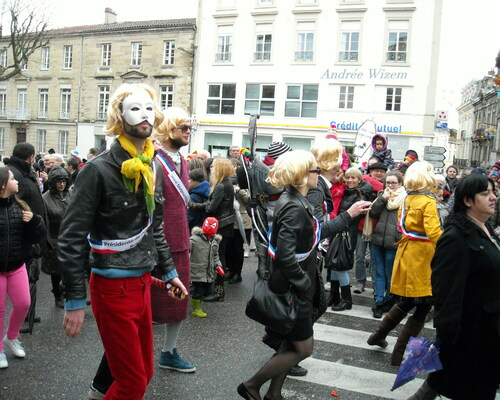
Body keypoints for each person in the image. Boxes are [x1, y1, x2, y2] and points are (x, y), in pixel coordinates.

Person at [57, 83, 187, 400]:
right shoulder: (97, 170)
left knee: (145, 372)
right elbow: (70, 237)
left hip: (143, 282)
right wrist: (75, 299)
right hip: (111, 288)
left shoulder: (153, 164)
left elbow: (154, 227)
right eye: (135, 108)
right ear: (120, 116)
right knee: (132, 382)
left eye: (149, 108)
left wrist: (170, 273)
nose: (145, 115)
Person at [238, 150, 370, 400]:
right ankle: (252, 385)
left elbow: (314, 235)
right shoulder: (293, 205)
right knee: (303, 348)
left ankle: (274, 393)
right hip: (293, 288)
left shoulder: (297, 200)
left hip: (296, 285)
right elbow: (286, 256)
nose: (318, 174)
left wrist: (348, 215)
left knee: (290, 343)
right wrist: (303, 284)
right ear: (301, 175)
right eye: (314, 170)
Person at [408, 174, 500, 400]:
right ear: (468, 201)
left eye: (493, 192)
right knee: (469, 387)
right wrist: (449, 334)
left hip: (489, 326)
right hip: (470, 330)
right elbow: (446, 288)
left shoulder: (485, 228)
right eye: (485, 193)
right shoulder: (457, 236)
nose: (493, 198)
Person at [367, 161, 442, 366]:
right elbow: (433, 231)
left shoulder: (408, 197)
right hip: (423, 256)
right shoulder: (427, 201)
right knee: (424, 304)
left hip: (408, 251)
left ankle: (378, 334)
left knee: (407, 300)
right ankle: (398, 353)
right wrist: (447, 247)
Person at [152, 106, 196, 373]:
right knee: (145, 303)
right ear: (169, 129)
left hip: (180, 241)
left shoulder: (185, 161)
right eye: (184, 128)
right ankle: (138, 354)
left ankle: (169, 351)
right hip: (156, 244)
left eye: (190, 127)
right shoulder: (155, 161)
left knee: (179, 300)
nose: (188, 132)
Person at [0, 167, 45, 368]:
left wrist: (34, 222)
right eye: (12, 179)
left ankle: (11, 337)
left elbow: (36, 237)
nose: (17, 182)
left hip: (17, 265)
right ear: (2, 185)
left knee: (23, 304)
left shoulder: (21, 206)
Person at [8, 142, 48, 333]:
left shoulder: (22, 173)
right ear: (31, 157)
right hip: (24, 240)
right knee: (27, 277)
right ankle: (23, 317)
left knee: (30, 277)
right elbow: (14, 205)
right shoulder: (15, 175)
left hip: (30, 235)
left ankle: (27, 313)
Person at [328, 167, 372, 311]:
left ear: (360, 180)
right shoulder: (345, 192)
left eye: (353, 178)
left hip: (348, 234)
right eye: (348, 177)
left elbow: (355, 215)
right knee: (334, 263)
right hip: (338, 231)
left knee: (341, 265)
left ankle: (347, 299)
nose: (350, 180)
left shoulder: (361, 195)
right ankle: (334, 296)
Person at [368, 170, 406, 318]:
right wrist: (382, 198)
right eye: (387, 182)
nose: (390, 185)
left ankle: (389, 300)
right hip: (378, 239)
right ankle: (378, 301)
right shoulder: (382, 196)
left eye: (393, 183)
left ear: (400, 184)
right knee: (379, 271)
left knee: (391, 273)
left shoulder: (405, 198)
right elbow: (373, 213)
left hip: (394, 241)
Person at [41, 166, 72, 309]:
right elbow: (45, 221)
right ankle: (57, 295)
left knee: (72, 268)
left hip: (71, 238)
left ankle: (71, 294)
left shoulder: (71, 195)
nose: (61, 184)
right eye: (58, 181)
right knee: (56, 271)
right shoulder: (45, 199)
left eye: (64, 181)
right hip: (54, 238)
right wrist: (48, 242)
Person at [189, 217, 222, 318]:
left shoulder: (215, 242)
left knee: (208, 290)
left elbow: (215, 255)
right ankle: (196, 308)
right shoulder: (194, 240)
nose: (210, 228)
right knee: (197, 290)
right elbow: (187, 251)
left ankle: (197, 302)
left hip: (209, 271)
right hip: (197, 270)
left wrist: (218, 265)